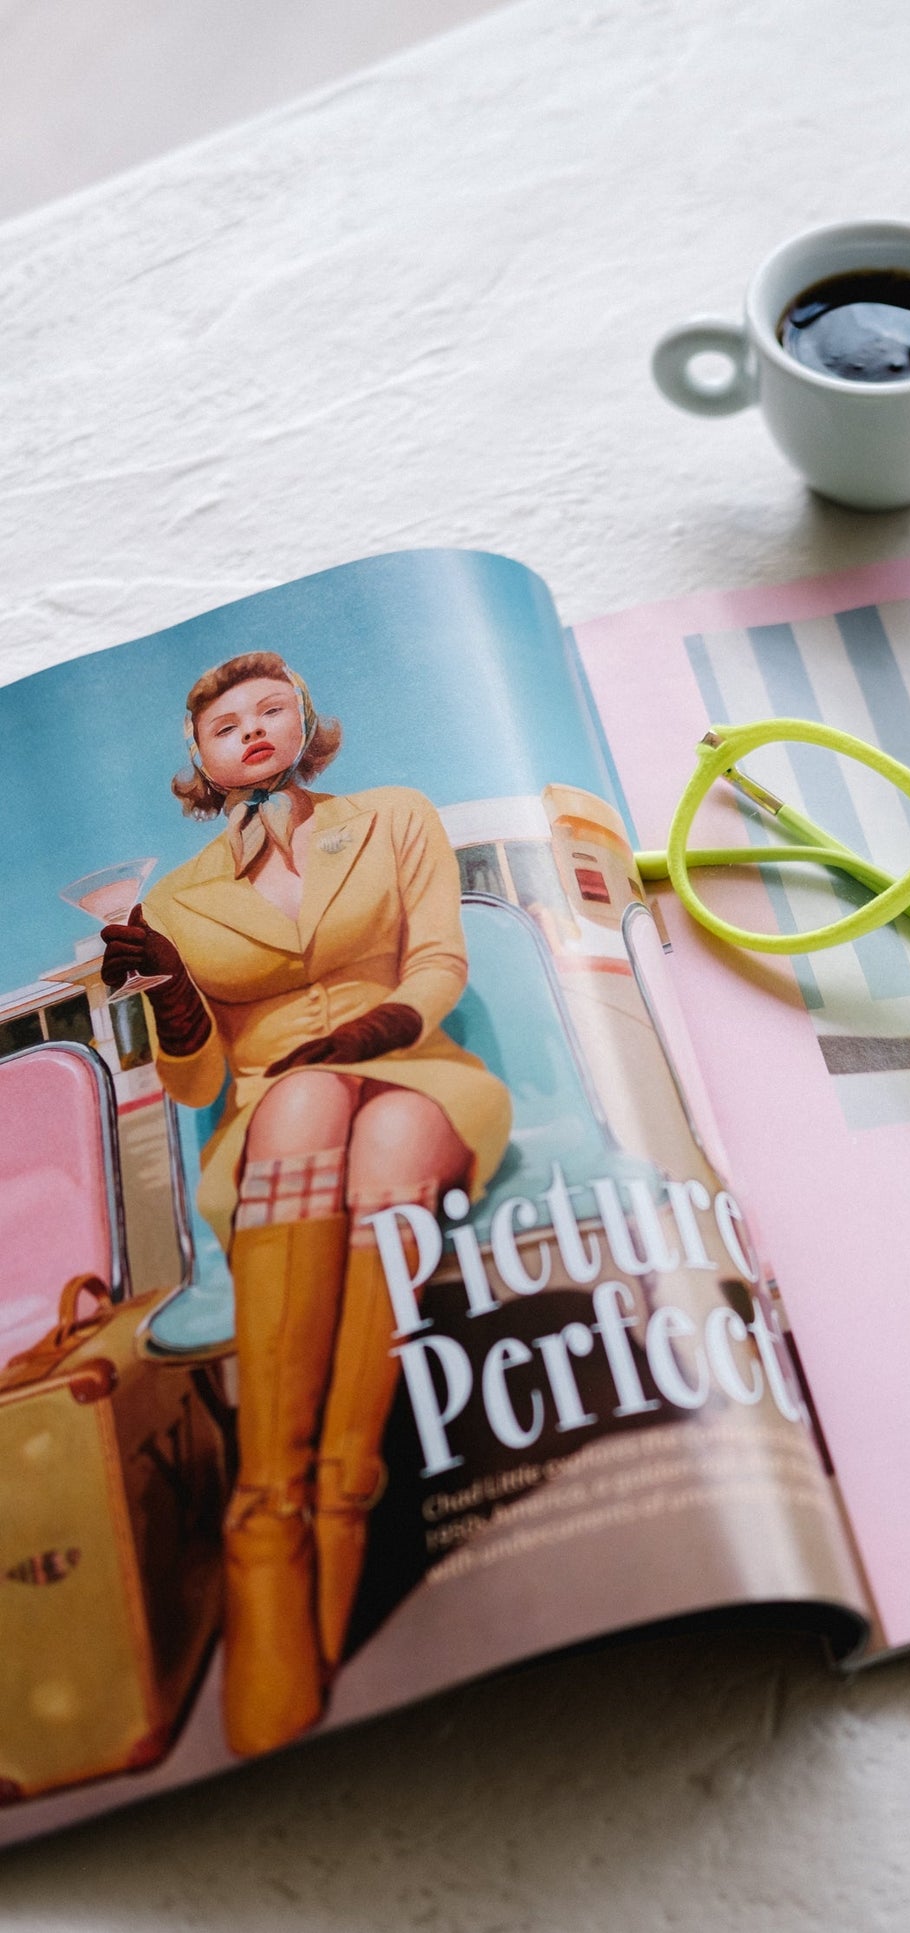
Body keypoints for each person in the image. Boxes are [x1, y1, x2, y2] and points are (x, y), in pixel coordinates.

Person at [101, 651, 511, 1759]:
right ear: (197, 757)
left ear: (306, 722)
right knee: (302, 1110)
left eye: (270, 708)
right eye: (224, 721)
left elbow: (435, 958)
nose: (250, 728)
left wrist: (378, 1029)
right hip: (273, 1108)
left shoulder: (390, 816)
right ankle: (276, 1506)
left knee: (373, 1122)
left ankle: (329, 1494)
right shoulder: (177, 895)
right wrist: (176, 997)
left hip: (417, 1071)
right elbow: (194, 1081)